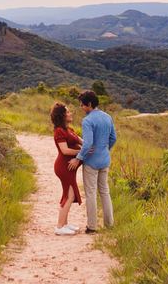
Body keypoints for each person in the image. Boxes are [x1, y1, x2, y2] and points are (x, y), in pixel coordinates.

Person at [69, 89, 116, 233]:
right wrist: (104, 150)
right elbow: (113, 138)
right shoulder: (107, 117)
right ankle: (109, 224)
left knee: (90, 194)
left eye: (82, 105)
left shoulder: (88, 120)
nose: (81, 108)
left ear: (89, 104)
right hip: (104, 160)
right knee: (104, 192)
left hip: (91, 162)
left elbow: (87, 143)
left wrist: (78, 159)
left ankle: (92, 227)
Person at [50, 101, 83, 235]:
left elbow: (82, 142)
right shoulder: (59, 131)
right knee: (69, 196)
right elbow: (65, 151)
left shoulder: (69, 130)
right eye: (67, 112)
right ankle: (59, 227)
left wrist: (88, 147)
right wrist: (82, 152)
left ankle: (65, 223)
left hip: (70, 168)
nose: (70, 114)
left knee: (69, 194)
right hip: (64, 167)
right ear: (61, 115)